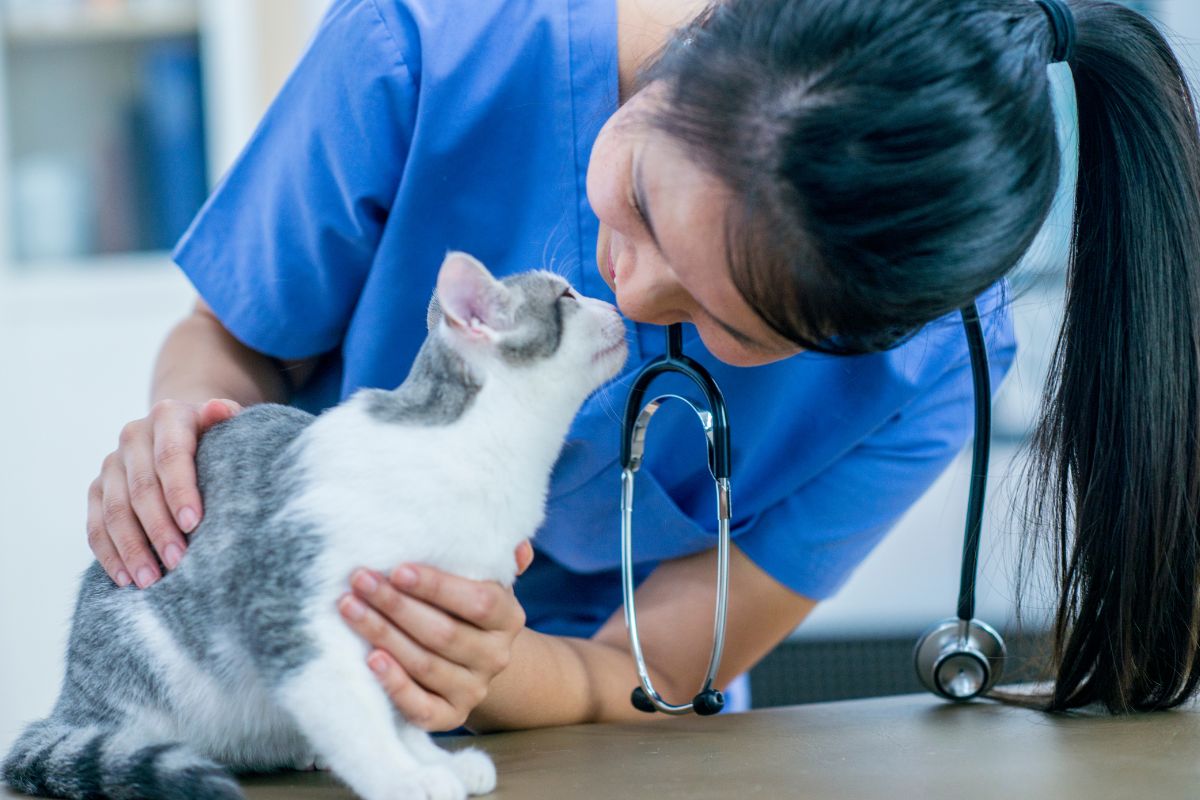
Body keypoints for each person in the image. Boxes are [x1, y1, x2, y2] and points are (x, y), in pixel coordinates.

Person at [86, 0, 1200, 732]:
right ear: (699, 39)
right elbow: (230, 339)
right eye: (642, 201)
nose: (628, 292)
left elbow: (650, 666)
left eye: (739, 331)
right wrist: (188, 431)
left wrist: (493, 666)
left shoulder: (933, 368)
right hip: (283, 681)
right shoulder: (430, 42)